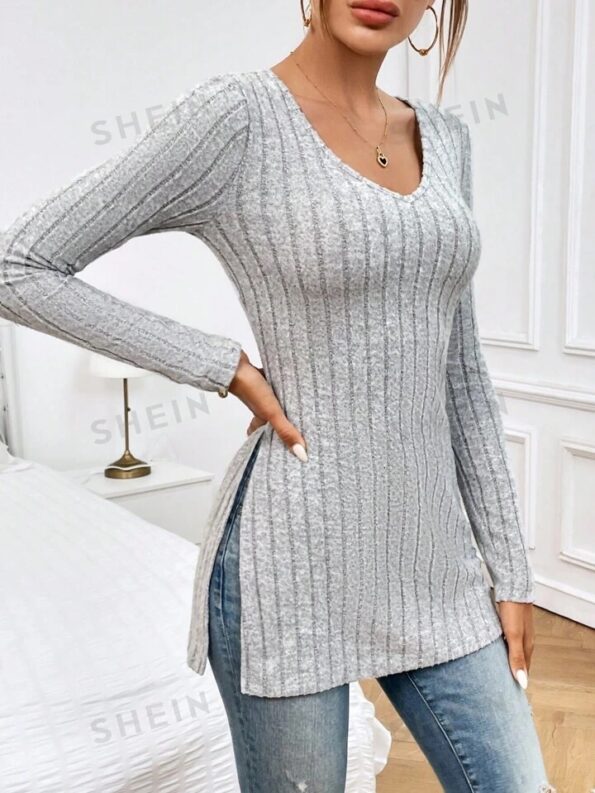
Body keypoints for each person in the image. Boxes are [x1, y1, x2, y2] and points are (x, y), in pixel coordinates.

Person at [0, 1, 556, 790]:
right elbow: (18, 265)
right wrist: (222, 364)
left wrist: (511, 570)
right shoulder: (236, 117)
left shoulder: (444, 137)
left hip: (436, 562)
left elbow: (461, 374)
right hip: (291, 562)